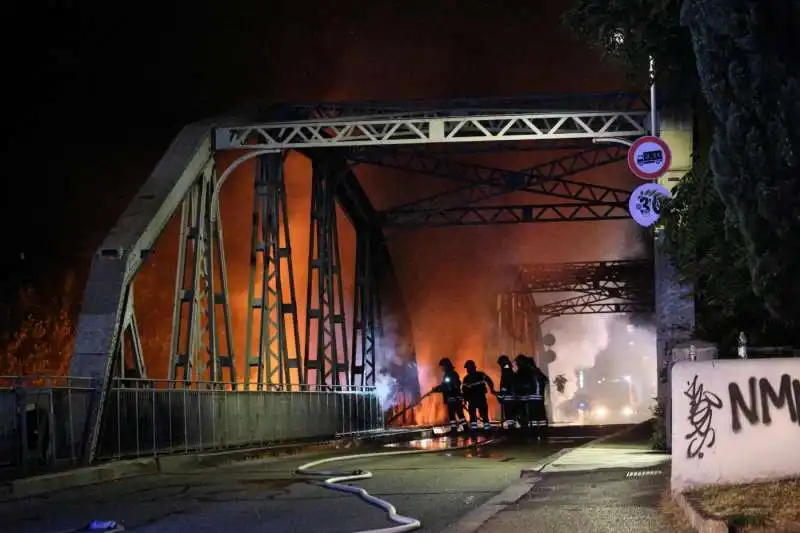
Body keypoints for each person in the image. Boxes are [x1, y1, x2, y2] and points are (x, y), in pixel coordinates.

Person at [432, 357, 466, 433]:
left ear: (446, 366)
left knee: (453, 414)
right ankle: (464, 428)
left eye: (442, 367)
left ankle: (455, 429)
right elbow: (445, 385)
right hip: (455, 397)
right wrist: (437, 389)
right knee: (459, 414)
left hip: (453, 398)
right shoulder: (451, 374)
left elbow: (447, 386)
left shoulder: (450, 374)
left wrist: (437, 389)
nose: (442, 368)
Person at [461, 360, 494, 431]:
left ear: (473, 368)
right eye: (467, 368)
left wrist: (465, 399)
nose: (467, 370)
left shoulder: (468, 378)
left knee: (475, 416)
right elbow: (465, 390)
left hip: (475, 399)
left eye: (468, 368)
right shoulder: (479, 375)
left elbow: (465, 391)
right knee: (482, 415)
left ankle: (475, 431)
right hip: (478, 399)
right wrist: (492, 390)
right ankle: (486, 430)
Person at [496, 354, 521, 429]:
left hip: (508, 397)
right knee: (513, 414)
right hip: (513, 396)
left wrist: (501, 395)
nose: (500, 365)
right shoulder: (510, 369)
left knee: (509, 414)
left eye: (500, 363)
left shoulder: (505, 370)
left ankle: (511, 429)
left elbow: (504, 384)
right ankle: (514, 427)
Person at [528, 358, 550, 439]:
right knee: (541, 416)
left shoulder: (530, 373)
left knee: (534, 417)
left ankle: (535, 433)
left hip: (533, 398)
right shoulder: (538, 372)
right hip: (540, 398)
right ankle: (542, 433)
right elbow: (545, 380)